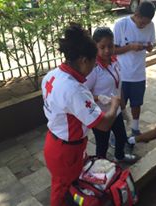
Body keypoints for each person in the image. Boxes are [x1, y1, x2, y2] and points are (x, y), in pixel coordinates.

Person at [41, 24, 120, 206]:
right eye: (94, 62)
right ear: (84, 60)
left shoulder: (52, 76)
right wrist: (115, 105)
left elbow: (69, 103)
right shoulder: (74, 89)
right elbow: (104, 124)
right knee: (60, 192)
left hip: (55, 142)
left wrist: (96, 97)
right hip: (66, 152)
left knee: (64, 186)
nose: (94, 66)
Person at [84, 27, 137, 163]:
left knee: (121, 138)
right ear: (95, 47)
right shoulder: (93, 69)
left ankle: (119, 157)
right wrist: (99, 98)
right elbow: (84, 94)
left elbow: (119, 87)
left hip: (116, 111)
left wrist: (124, 109)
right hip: (101, 115)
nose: (107, 50)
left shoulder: (114, 61)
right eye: (102, 47)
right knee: (102, 144)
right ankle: (100, 169)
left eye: (110, 46)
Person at [113, 1, 156, 136]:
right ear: (136, 14)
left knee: (136, 104)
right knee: (120, 106)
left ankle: (135, 128)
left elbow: (151, 45)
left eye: (147, 23)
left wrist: (149, 47)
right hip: (122, 74)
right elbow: (113, 50)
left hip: (139, 74)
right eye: (142, 23)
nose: (144, 26)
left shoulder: (150, 25)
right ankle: (117, 133)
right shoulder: (122, 24)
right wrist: (130, 47)